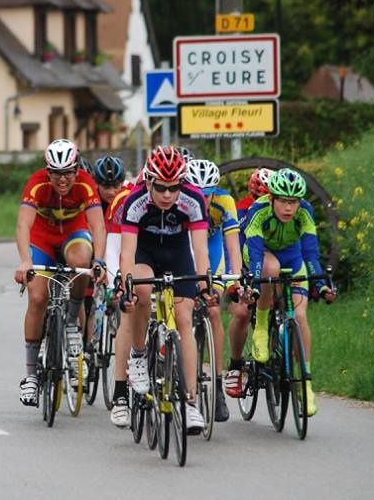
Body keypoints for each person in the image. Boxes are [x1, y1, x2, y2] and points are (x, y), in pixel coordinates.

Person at [110, 146, 211, 433]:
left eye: (173, 187)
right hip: (145, 253)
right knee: (141, 292)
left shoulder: (193, 199)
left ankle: (190, 403)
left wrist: (205, 284)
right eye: (161, 188)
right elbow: (127, 253)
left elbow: (200, 249)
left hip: (178, 255)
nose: (167, 195)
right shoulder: (135, 201)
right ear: (149, 181)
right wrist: (127, 286)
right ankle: (139, 355)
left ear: (182, 183)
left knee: (184, 318)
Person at [13, 139, 107, 406]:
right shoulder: (37, 183)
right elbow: (23, 226)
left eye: (68, 172)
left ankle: (70, 322)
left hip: (73, 235)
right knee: (38, 296)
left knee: (82, 261)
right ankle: (31, 375)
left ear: (77, 169)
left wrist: (99, 260)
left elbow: (98, 226)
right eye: (56, 173)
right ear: (47, 171)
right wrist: (25, 261)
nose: (62, 179)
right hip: (43, 239)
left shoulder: (86, 183)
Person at [240, 168, 337, 415]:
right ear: (271, 198)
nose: (288, 208)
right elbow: (253, 250)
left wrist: (321, 284)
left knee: (300, 317)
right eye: (283, 201)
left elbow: (311, 253)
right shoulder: (258, 211)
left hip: (293, 258)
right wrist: (254, 283)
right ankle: (262, 327)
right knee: (270, 268)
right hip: (262, 254)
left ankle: (305, 385)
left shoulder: (305, 212)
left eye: (293, 202)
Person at [184, 158, 242, 423]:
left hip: (213, 248)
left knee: (214, 310)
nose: (203, 201)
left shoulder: (225, 203)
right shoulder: (180, 201)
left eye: (207, 195)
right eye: (197, 195)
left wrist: (234, 281)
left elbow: (233, 248)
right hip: (186, 249)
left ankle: (217, 386)